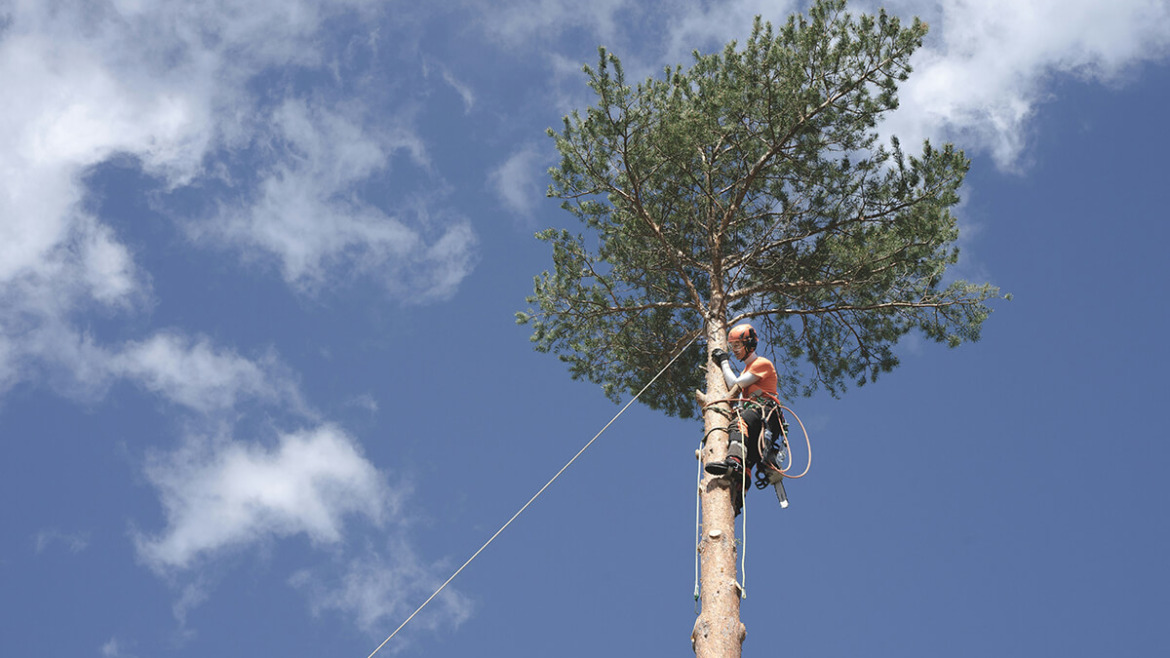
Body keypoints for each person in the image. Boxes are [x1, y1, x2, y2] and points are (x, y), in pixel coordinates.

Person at [704, 323, 785, 484]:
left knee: (739, 423)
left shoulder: (761, 364)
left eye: (737, 345)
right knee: (748, 459)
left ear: (748, 344)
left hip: (765, 413)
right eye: (732, 345)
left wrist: (724, 361)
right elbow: (734, 389)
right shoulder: (746, 370)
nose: (734, 349)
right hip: (757, 419)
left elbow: (734, 384)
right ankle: (739, 495)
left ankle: (734, 461)